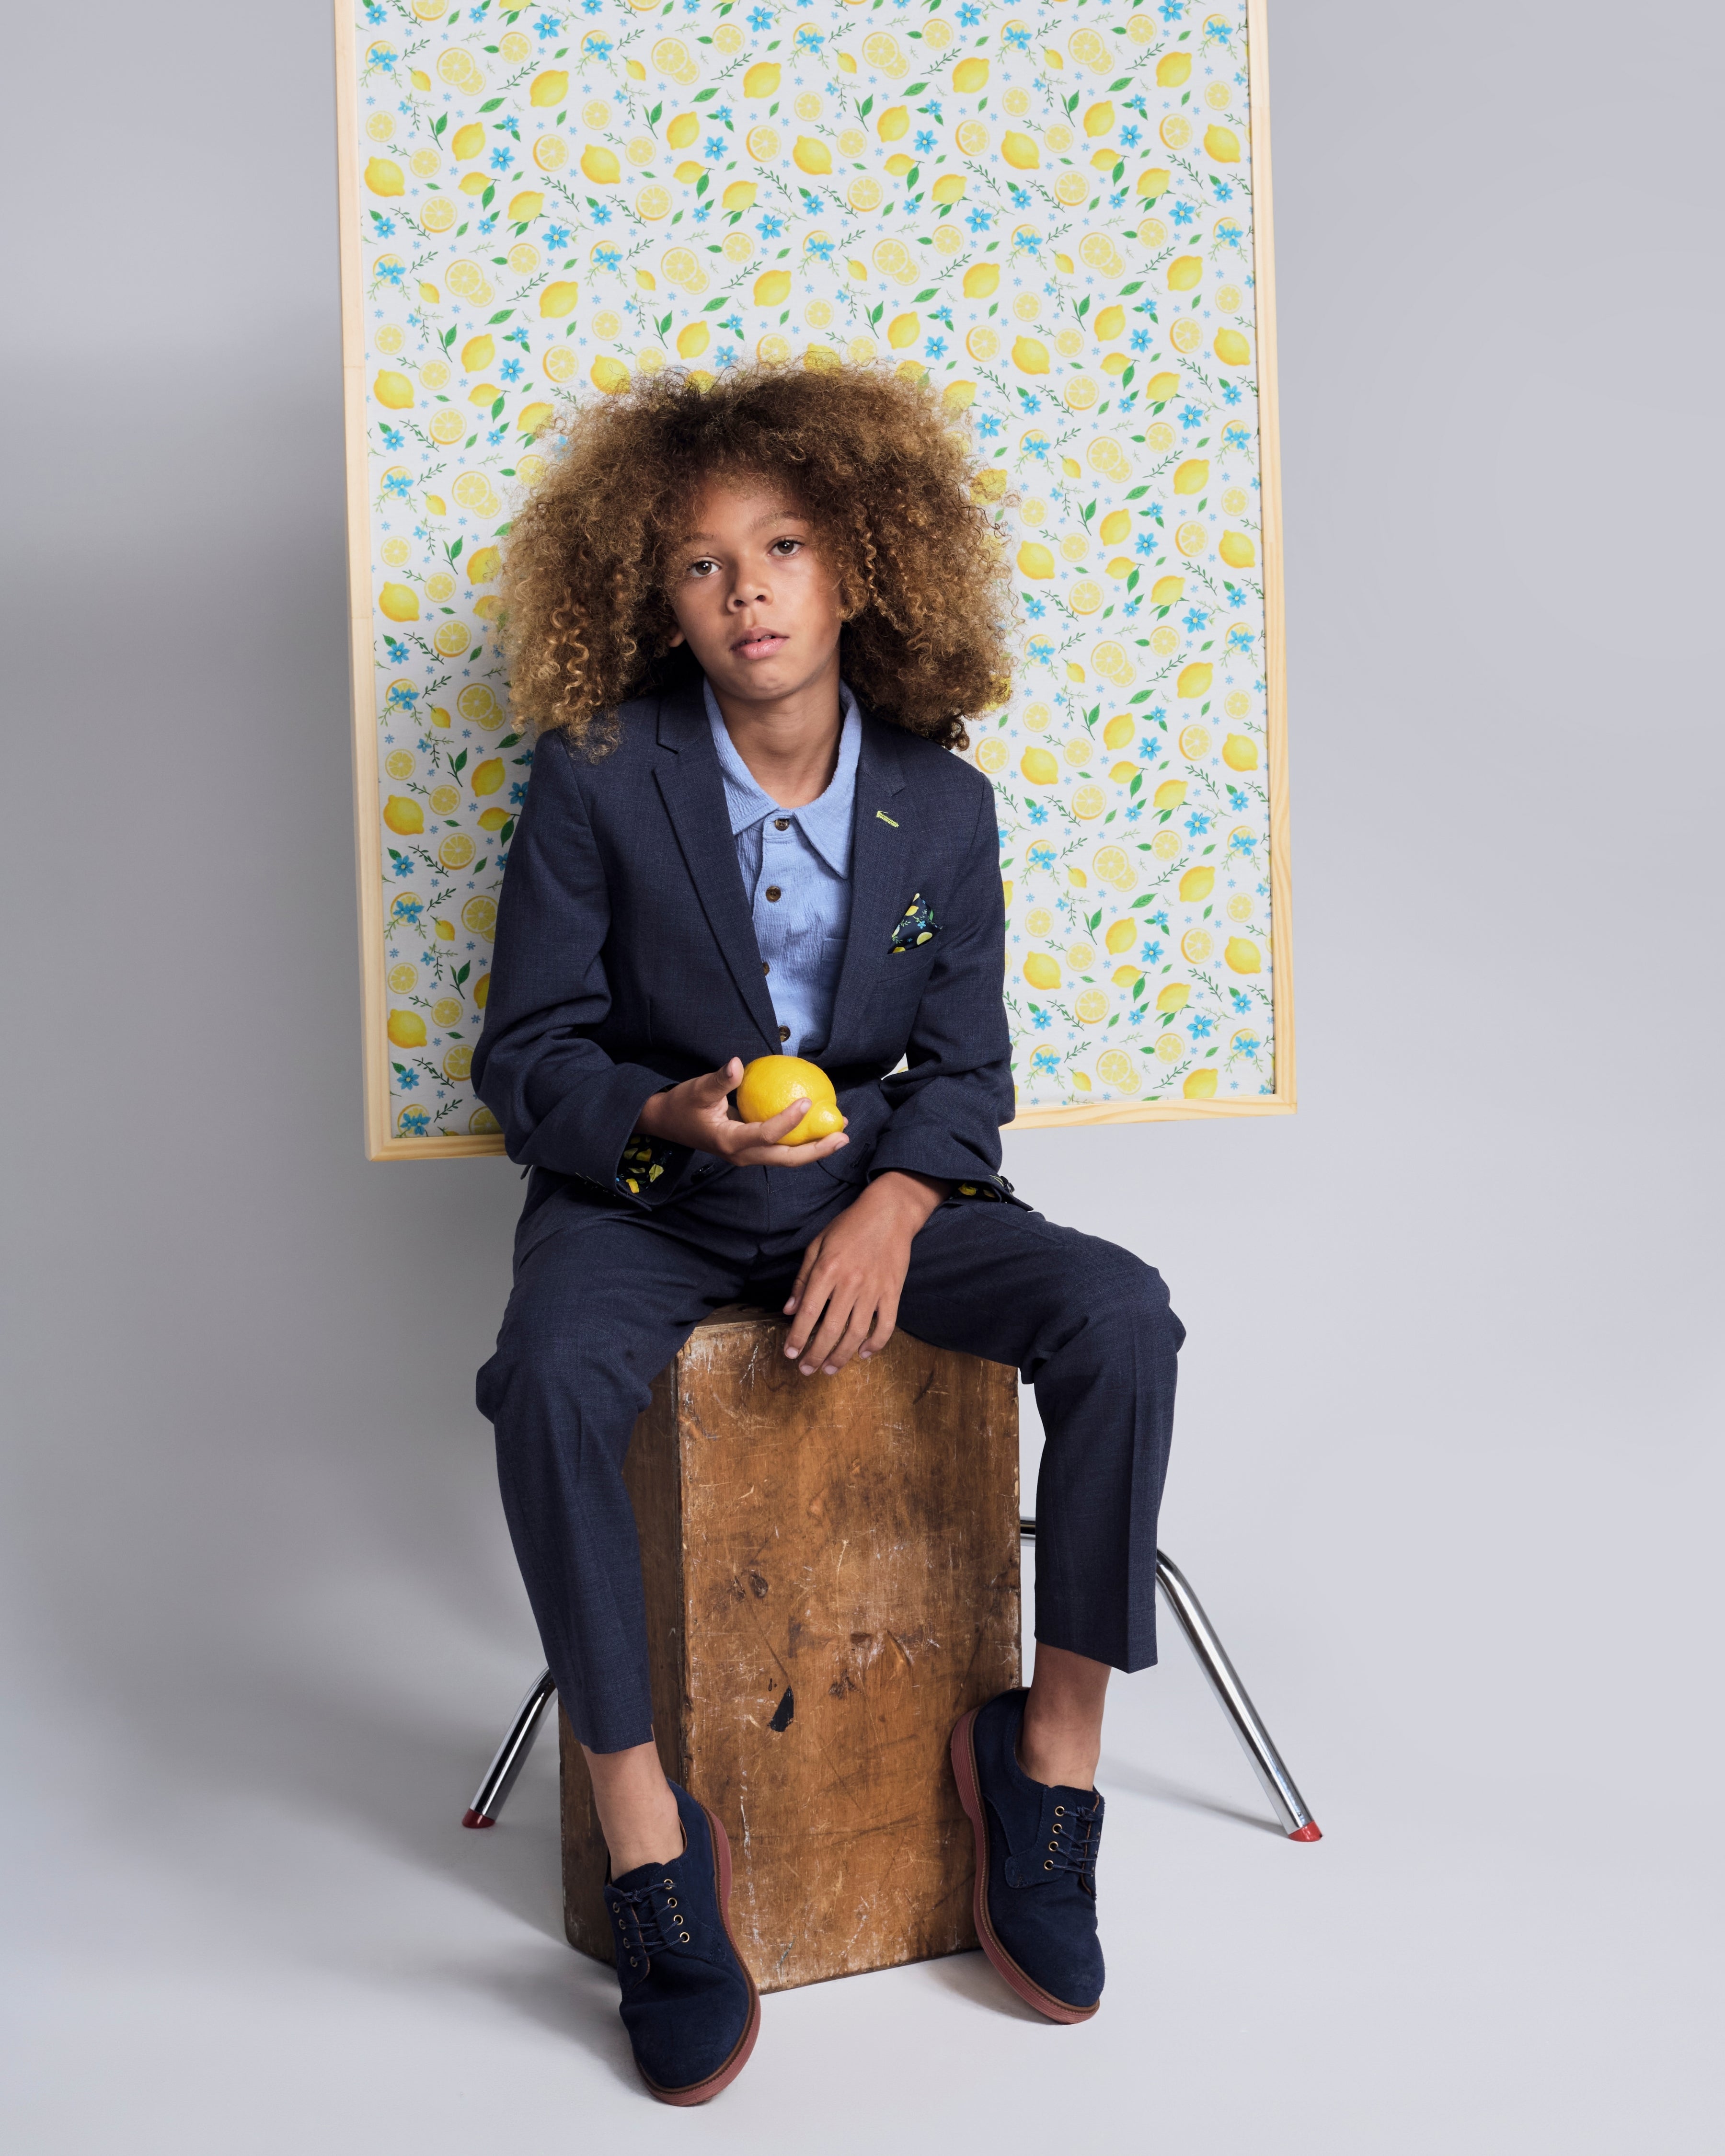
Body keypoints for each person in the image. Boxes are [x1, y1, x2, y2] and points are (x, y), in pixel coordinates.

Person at [472, 361, 1183, 2104]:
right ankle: (652, 1844)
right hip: (655, 1197)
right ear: (660, 596)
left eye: (783, 546)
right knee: (545, 1378)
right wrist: (661, 1114)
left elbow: (970, 1073)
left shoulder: (943, 801)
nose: (748, 590)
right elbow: (526, 1055)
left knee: (1124, 1317)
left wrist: (889, 1203)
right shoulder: (597, 773)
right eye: (703, 562)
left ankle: (1049, 1771)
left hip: (874, 1197)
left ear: (859, 567)